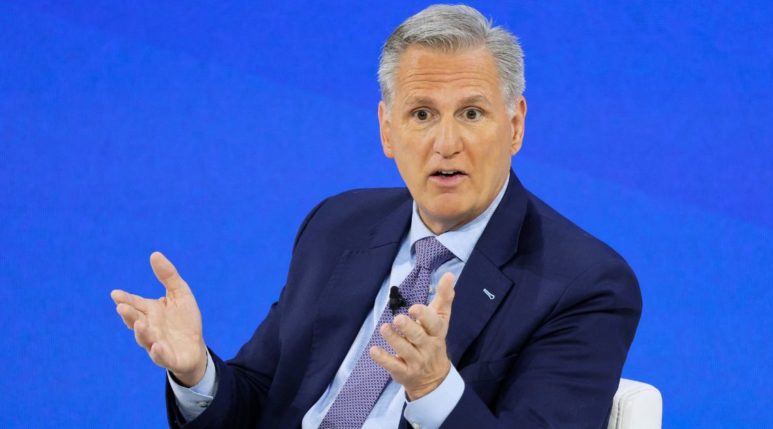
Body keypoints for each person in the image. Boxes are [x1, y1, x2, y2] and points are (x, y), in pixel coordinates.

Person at [111, 5, 641, 428]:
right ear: (388, 130)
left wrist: (435, 389)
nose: (446, 143)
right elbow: (259, 401)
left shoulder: (585, 283)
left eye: (472, 113)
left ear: (516, 125)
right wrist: (197, 373)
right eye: (422, 114)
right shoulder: (338, 226)